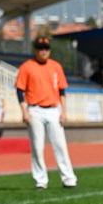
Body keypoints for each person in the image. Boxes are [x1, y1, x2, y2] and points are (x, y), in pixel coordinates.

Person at [15, 36, 77, 190]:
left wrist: (64, 112)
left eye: (46, 48)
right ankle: (41, 181)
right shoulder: (26, 67)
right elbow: (19, 90)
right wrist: (24, 112)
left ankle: (69, 179)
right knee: (37, 147)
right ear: (35, 50)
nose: (43, 51)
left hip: (53, 109)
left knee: (60, 145)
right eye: (40, 48)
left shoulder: (56, 66)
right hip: (35, 110)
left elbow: (62, 90)